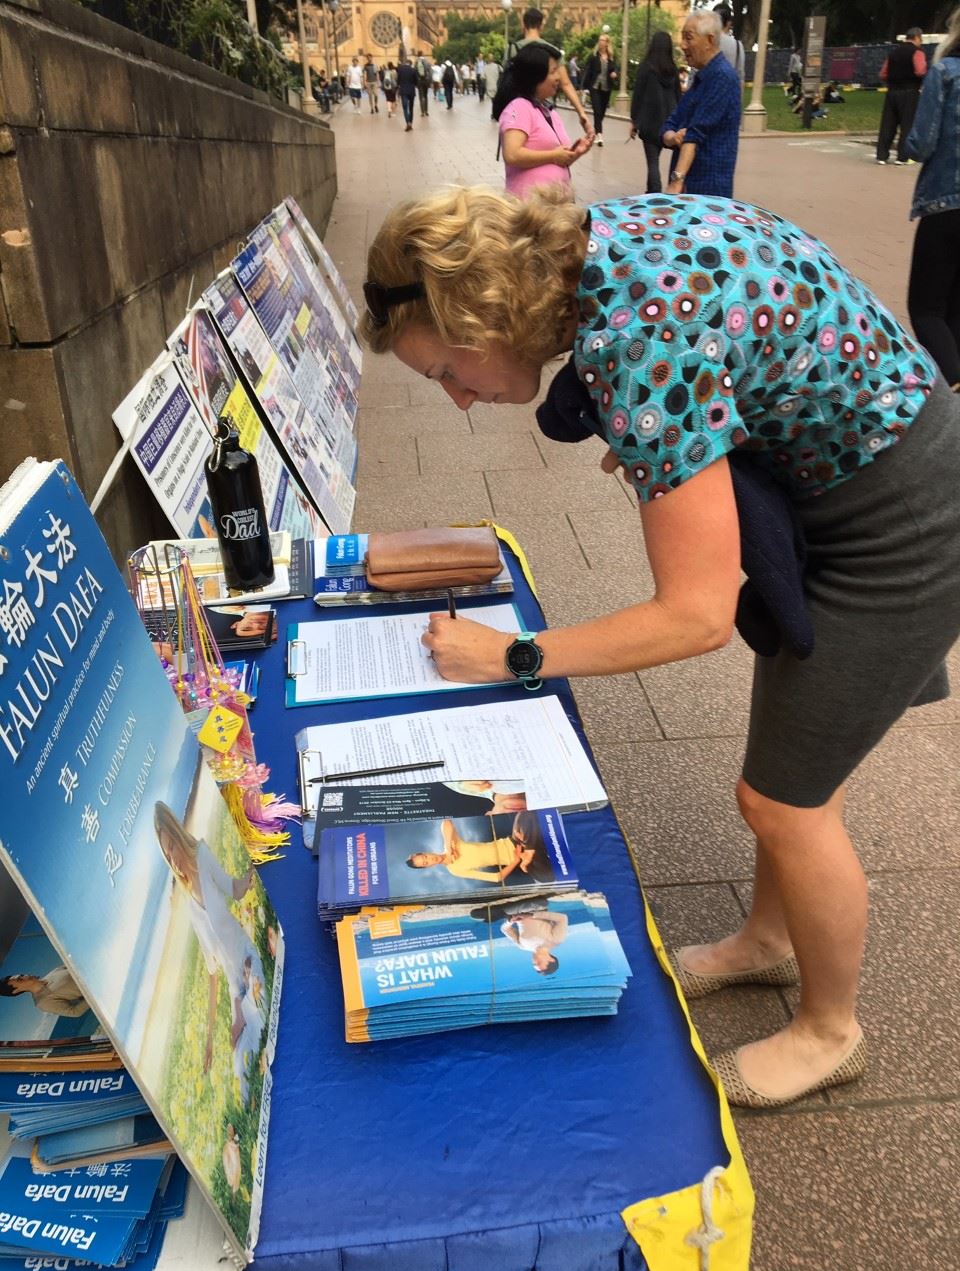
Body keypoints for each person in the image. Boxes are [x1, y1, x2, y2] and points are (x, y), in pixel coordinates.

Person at [360, 183, 960, 1108]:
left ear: (487, 314)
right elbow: (733, 341)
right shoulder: (592, 248)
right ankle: (769, 940)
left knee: (785, 802)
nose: (458, 402)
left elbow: (695, 615)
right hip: (864, 470)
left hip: (907, 523)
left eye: (447, 371)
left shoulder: (639, 343)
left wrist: (513, 656)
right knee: (794, 761)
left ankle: (831, 1031)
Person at [154, 801, 267, 1104]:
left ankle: (248, 1012)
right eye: (166, 855)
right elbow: (212, 972)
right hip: (235, 989)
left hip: (247, 960)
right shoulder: (189, 905)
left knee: (258, 1020)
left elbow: (236, 889)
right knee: (239, 1063)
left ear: (179, 837)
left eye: (172, 847)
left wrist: (255, 862)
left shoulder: (203, 856)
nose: (173, 858)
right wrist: (208, 1042)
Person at [906, 8, 960, 389]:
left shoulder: (945, 74)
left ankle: (953, 385)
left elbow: (922, 143)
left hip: (946, 203)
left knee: (925, 307)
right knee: (955, 309)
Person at [661, 10, 742, 197]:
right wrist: (672, 137)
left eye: (688, 38)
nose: (682, 45)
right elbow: (670, 123)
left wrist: (676, 181)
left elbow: (695, 134)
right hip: (690, 188)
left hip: (707, 191)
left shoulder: (722, 77)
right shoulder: (701, 78)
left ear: (710, 40)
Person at [495, 44, 592, 199]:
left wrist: (576, 153)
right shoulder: (519, 107)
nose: (558, 77)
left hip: (554, 207)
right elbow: (512, 154)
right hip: (531, 210)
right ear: (536, 76)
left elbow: (557, 159)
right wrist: (553, 155)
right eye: (553, 71)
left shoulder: (548, 111)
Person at [515, 8, 592, 140]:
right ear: (541, 26)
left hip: (517, 112)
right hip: (543, 110)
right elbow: (566, 83)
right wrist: (581, 112)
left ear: (524, 24)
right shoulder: (552, 51)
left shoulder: (513, 49)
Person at [405, 816, 541, 884]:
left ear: (427, 853)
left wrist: (449, 848)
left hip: (513, 841)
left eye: (425, 857)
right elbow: (496, 878)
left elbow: (446, 822)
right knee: (546, 877)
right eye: (426, 863)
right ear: (428, 867)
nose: (430, 859)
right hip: (520, 858)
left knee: (525, 816)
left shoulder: (452, 844)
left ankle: (530, 849)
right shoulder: (455, 870)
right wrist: (516, 860)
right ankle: (530, 850)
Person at [629, 29, 681, 193]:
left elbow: (638, 95)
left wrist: (634, 121)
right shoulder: (673, 69)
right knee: (660, 159)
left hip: (650, 121)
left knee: (653, 161)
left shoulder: (646, 67)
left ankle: (655, 192)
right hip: (670, 121)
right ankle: (651, 190)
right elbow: (678, 96)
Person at [876, 26, 927, 164]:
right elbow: (920, 71)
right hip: (909, 92)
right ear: (917, 37)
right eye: (920, 39)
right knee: (907, 124)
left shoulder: (893, 53)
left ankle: (882, 155)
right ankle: (902, 157)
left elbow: (883, 73)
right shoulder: (917, 52)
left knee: (888, 123)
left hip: (892, 91)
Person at [0, 968, 88, 1017]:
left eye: (22, 975)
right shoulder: (43, 1002)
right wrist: (91, 996)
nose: (26, 976)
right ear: (16, 991)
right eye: (20, 979)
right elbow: (74, 1012)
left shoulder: (53, 972)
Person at [581, 32, 618, 145]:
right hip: (595, 86)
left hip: (606, 88)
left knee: (602, 112)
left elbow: (616, 68)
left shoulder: (611, 57)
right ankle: (599, 135)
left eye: (603, 40)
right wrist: (583, 87)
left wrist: (615, 73)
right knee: (597, 110)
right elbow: (587, 71)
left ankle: (595, 130)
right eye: (600, 40)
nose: (600, 42)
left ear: (607, 43)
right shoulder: (593, 56)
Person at [715, 3, 745, 88]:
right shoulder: (738, 45)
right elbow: (740, 76)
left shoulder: (705, 42)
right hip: (729, 93)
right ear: (729, 23)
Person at [397, 55, 418, 131]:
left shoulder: (400, 70)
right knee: (411, 108)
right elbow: (416, 82)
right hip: (411, 91)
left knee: (405, 108)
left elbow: (398, 81)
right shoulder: (413, 70)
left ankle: (407, 122)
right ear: (411, 64)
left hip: (403, 91)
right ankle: (411, 123)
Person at [413, 50, 432, 117]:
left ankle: (422, 112)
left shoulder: (416, 62)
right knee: (426, 96)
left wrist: (415, 82)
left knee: (421, 97)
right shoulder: (427, 62)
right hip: (426, 81)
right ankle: (426, 111)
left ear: (418, 55)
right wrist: (430, 81)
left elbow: (414, 72)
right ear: (423, 54)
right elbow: (430, 72)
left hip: (419, 81)